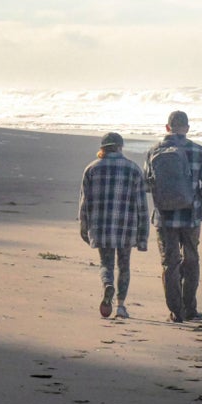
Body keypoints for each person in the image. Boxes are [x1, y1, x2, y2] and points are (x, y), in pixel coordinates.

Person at [144, 110, 202, 322]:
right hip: (191, 215)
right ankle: (190, 309)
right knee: (191, 260)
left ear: (167, 127)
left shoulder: (153, 151)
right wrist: (198, 203)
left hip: (164, 216)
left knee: (170, 262)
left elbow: (148, 185)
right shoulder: (198, 151)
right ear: (187, 128)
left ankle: (176, 312)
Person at [78, 131, 149, 319]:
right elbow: (142, 206)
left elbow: (85, 202)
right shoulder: (134, 169)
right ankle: (121, 306)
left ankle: (107, 285)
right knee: (124, 265)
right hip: (127, 227)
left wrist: (84, 227)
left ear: (102, 148)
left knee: (106, 264)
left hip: (101, 227)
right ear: (120, 147)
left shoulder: (91, 169)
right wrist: (143, 236)